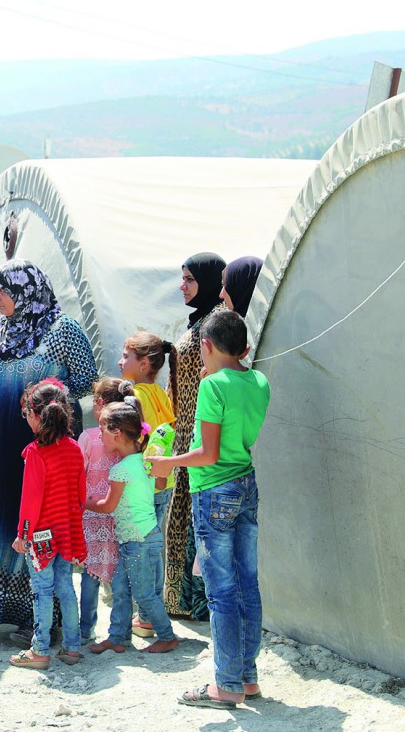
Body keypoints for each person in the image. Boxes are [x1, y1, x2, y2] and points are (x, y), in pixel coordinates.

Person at [147, 310, 271, 708]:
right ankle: (246, 678)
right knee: (247, 584)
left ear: (205, 346)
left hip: (213, 491)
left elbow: (208, 453)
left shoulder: (212, 387)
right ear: (246, 348)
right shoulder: (259, 381)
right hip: (246, 485)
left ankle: (226, 684)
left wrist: (169, 463)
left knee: (221, 593)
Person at [0, 260, 96, 635]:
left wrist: (47, 403)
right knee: (9, 521)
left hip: (44, 447)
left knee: (43, 524)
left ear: (26, 291)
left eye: (1, 290)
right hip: (2, 446)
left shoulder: (63, 329)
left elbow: (88, 382)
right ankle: (8, 608)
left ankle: (47, 621)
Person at [86, 398, 179, 656]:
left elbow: (107, 506)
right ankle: (117, 637)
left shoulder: (121, 470)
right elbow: (160, 486)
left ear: (116, 434)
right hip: (139, 538)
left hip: (138, 540)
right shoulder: (145, 462)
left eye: (103, 429)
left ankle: (167, 636)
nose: (100, 435)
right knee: (122, 589)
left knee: (143, 593)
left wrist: (81, 501)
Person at [163, 252, 226, 620]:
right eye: (181, 278)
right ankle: (180, 600)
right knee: (180, 519)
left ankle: (197, 602)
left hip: (199, 433)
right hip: (183, 432)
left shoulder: (216, 323)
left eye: (189, 278)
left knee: (192, 521)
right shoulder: (200, 320)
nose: (182, 285)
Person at [8, 379, 86, 669]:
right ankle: (73, 647)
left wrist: (22, 535)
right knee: (66, 586)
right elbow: (80, 495)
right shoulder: (75, 449)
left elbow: (30, 501)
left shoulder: (35, 453)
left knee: (42, 590)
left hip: (40, 534)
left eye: (27, 413)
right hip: (66, 530)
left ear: (36, 415)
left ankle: (39, 650)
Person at [118, 331, 177, 637]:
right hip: (163, 482)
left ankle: (147, 617)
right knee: (156, 549)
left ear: (143, 364)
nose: (120, 361)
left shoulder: (135, 396)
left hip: (145, 487)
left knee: (142, 551)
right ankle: (151, 613)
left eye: (126, 356)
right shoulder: (160, 394)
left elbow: (138, 441)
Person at [76, 378, 131, 646]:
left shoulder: (88, 437)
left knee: (90, 573)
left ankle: (86, 629)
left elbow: (78, 473)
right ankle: (122, 631)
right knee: (119, 574)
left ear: (99, 404)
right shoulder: (128, 437)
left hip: (90, 514)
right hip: (120, 514)